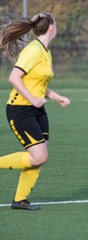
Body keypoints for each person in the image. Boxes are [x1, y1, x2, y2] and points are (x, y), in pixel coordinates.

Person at [0, 13, 71, 210]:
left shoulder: (46, 51)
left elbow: (37, 83)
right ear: (52, 28)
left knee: (38, 158)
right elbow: (14, 78)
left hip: (37, 110)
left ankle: (20, 200)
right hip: (20, 110)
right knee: (39, 156)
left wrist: (55, 97)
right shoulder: (33, 50)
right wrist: (32, 99)